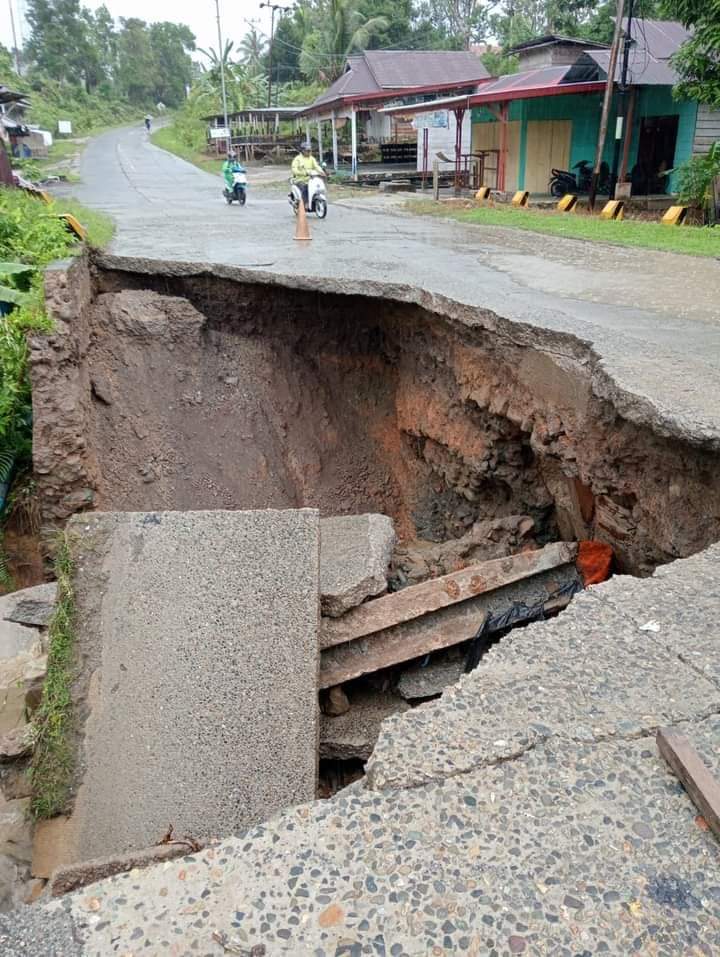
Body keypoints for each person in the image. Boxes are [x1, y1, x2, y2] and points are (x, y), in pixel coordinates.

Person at [291, 141, 325, 210]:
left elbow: (316, 166)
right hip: (300, 179)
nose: (309, 152)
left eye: (310, 151)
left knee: (318, 186)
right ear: (302, 151)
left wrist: (321, 172)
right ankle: (305, 203)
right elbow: (294, 170)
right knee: (305, 188)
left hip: (311, 179)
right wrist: (304, 173)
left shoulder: (312, 158)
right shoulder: (297, 159)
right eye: (307, 151)